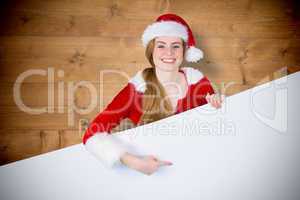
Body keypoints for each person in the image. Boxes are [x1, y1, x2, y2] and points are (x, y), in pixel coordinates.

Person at [83, 13, 223, 175]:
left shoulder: (199, 83)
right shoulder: (136, 90)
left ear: (185, 51)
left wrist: (218, 106)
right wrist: (133, 162)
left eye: (176, 46)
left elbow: (213, 132)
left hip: (197, 170)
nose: (169, 53)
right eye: (161, 45)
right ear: (152, 50)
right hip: (156, 177)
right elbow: (92, 133)